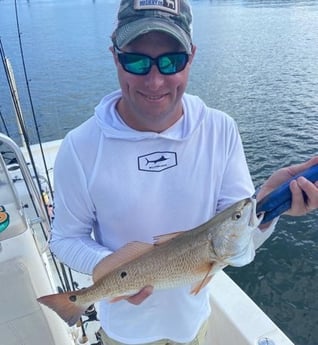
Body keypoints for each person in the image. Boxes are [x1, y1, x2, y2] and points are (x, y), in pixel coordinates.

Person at [50, 1, 318, 344]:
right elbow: (64, 239)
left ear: (190, 56)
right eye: (136, 61)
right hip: (124, 334)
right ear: (115, 56)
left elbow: (236, 248)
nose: (155, 80)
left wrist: (268, 206)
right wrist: (115, 269)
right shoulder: (80, 147)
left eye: (171, 61)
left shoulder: (220, 130)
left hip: (193, 327)